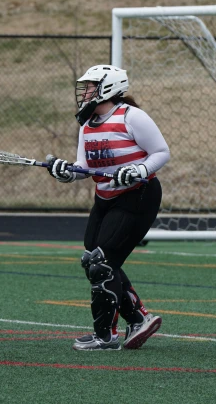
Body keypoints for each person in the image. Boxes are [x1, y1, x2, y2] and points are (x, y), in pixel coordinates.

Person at [46, 64, 170, 351]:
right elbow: (84, 168)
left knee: (102, 262)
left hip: (138, 195)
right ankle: (139, 318)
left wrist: (139, 169)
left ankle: (106, 336)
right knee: (94, 260)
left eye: (90, 86)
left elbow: (161, 153)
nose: (84, 92)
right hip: (104, 198)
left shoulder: (132, 117)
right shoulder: (88, 124)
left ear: (109, 88)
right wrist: (65, 171)